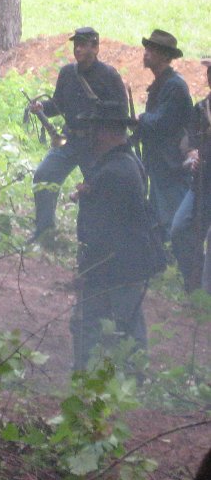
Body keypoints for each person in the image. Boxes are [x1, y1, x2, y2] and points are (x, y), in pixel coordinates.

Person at [70, 100, 164, 371]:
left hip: (116, 264)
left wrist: (87, 268)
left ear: (106, 132)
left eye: (95, 129)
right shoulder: (123, 162)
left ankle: (97, 376)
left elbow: (102, 230)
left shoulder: (115, 170)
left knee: (105, 323)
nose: (90, 136)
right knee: (122, 321)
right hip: (124, 261)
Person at [27, 27, 126, 239]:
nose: (78, 49)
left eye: (83, 44)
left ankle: (96, 239)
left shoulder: (109, 76)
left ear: (96, 48)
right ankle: (44, 233)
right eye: (76, 45)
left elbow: (121, 114)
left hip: (96, 145)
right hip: (69, 140)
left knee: (96, 190)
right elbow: (58, 104)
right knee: (44, 176)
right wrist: (41, 108)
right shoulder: (67, 73)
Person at [135, 29, 192, 236]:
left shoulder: (174, 86)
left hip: (172, 165)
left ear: (166, 56)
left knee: (174, 221)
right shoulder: (162, 84)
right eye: (147, 48)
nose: (146, 52)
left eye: (153, 49)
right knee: (161, 216)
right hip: (161, 164)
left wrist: (140, 119)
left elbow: (161, 122)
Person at [170, 58, 211, 292]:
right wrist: (192, 155)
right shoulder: (201, 110)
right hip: (201, 185)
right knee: (179, 230)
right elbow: (189, 143)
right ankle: (192, 285)